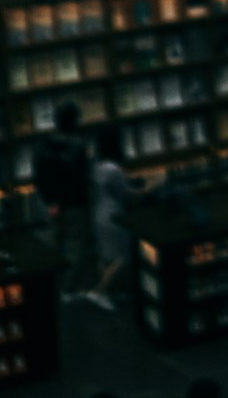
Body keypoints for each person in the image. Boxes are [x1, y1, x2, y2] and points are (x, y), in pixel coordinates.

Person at [33, 99, 93, 300]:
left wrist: (50, 200)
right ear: (75, 120)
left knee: (51, 243)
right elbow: (82, 176)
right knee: (75, 247)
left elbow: (38, 176)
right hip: (75, 203)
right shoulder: (79, 145)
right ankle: (67, 289)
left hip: (52, 204)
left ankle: (46, 287)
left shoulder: (43, 144)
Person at [87, 123, 139, 312]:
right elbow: (126, 194)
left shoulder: (96, 166)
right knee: (122, 256)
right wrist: (150, 187)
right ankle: (99, 291)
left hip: (98, 213)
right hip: (113, 216)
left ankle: (107, 292)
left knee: (105, 256)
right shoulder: (114, 169)